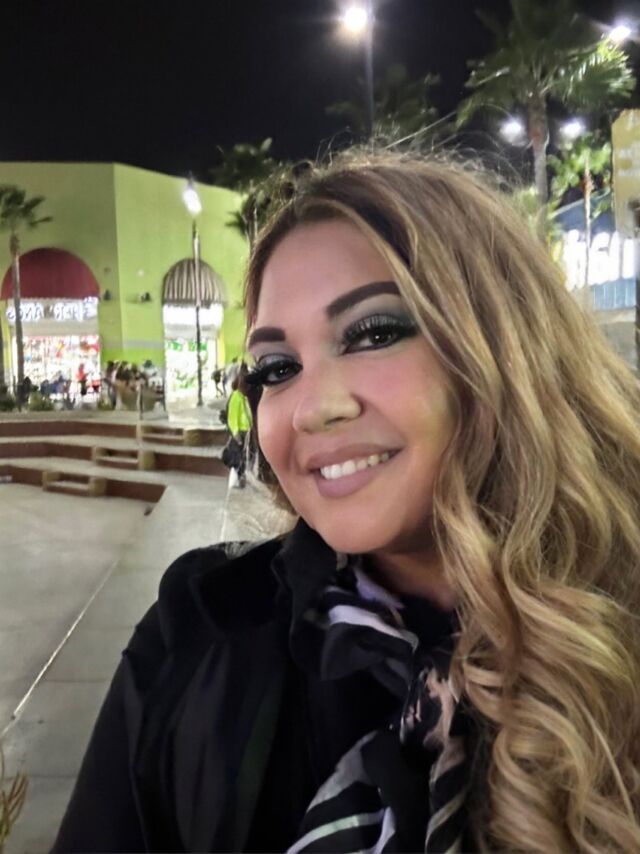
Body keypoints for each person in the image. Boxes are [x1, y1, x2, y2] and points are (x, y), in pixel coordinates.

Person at [53, 152, 640, 853]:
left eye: (373, 333)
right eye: (278, 368)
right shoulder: (197, 638)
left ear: (506, 346)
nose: (312, 407)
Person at [223, 366, 253, 488]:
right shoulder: (236, 397)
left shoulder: (244, 397)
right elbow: (232, 418)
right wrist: (236, 435)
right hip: (240, 434)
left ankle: (240, 480)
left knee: (243, 460)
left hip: (247, 432)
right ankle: (233, 484)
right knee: (237, 461)